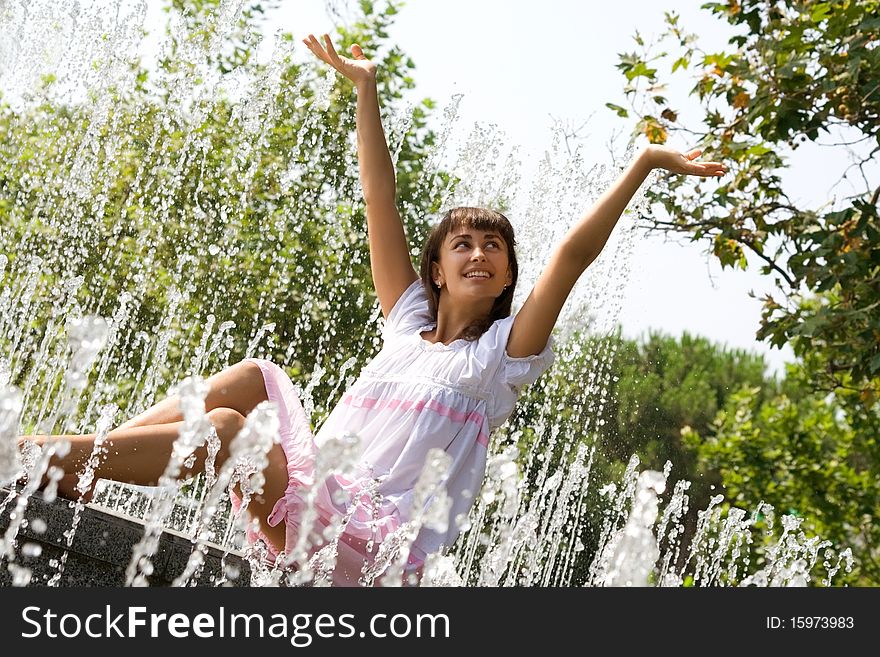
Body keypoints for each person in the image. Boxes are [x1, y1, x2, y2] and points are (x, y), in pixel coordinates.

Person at [15, 34, 726, 586]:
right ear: (437, 272)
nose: (480, 253)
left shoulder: (498, 359)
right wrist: (365, 91)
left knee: (231, 429)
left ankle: (44, 457)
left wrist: (642, 165)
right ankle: (81, 459)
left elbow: (571, 256)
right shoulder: (406, 325)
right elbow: (378, 198)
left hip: (365, 545)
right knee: (252, 374)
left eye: (495, 247)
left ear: (509, 272)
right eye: (463, 244)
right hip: (314, 492)